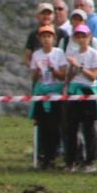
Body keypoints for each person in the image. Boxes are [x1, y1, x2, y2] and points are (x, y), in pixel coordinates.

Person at [62, 22, 97, 171]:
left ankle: (90, 161)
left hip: (88, 91)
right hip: (74, 91)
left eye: (84, 36)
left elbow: (93, 76)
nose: (81, 39)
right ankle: (71, 160)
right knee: (71, 128)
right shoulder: (73, 55)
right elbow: (69, 76)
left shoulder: (93, 54)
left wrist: (79, 67)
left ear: (89, 37)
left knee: (89, 128)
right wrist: (72, 72)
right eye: (78, 36)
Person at [28, 23, 68, 170]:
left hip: (55, 94)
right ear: (39, 39)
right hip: (41, 93)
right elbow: (33, 76)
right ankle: (42, 156)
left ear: (54, 39)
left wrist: (53, 70)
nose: (46, 39)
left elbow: (63, 75)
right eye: (43, 36)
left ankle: (52, 156)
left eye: (49, 36)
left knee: (54, 127)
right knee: (42, 126)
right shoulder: (36, 55)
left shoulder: (59, 54)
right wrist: (38, 72)